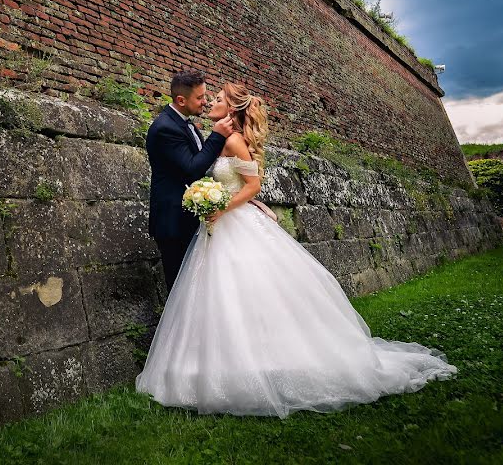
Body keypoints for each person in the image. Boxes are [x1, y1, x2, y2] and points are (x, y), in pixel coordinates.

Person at [136, 82, 457, 417]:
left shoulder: (229, 139)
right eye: (207, 97)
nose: (209, 102)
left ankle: (254, 361)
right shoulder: (214, 137)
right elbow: (212, 173)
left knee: (243, 290)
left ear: (231, 110)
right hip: (217, 225)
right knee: (223, 293)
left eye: (216, 99)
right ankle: (218, 361)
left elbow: (253, 182)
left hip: (230, 222)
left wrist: (229, 205)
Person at [145, 70, 234, 292]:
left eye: (206, 96)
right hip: (173, 222)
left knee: (196, 287)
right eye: (200, 97)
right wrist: (217, 136)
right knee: (180, 288)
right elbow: (193, 168)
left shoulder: (188, 124)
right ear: (181, 100)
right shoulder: (165, 128)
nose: (205, 102)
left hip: (189, 219)